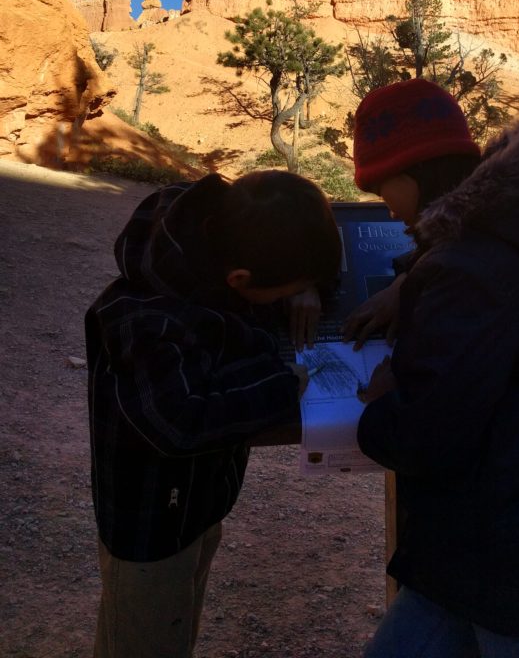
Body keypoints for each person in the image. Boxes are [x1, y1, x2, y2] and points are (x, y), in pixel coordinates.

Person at [345, 78, 519, 658]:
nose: (381, 202)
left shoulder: (469, 270)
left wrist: (381, 402)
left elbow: (429, 435)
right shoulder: (511, 228)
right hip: (500, 534)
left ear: (410, 175)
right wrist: (413, 280)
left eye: (378, 185)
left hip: (507, 555)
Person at [86, 170, 340, 658]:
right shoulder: (149, 323)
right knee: (142, 638)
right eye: (285, 288)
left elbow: (302, 252)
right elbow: (179, 422)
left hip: (195, 504)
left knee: (173, 624)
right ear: (240, 280)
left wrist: (306, 289)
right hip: (150, 526)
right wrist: (280, 388)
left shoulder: (219, 244)